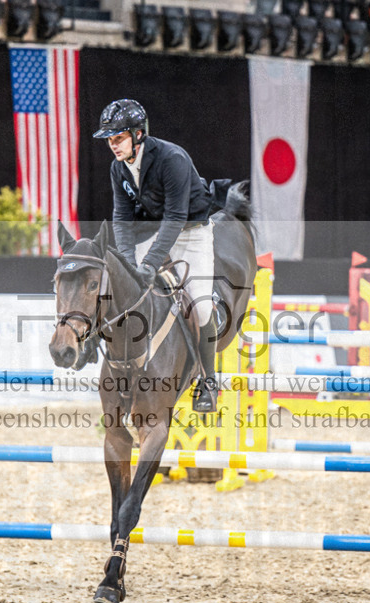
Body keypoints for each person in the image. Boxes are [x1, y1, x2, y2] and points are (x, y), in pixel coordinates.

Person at [93, 99, 220, 413]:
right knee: (119, 288)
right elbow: (121, 217)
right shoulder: (117, 167)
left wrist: (149, 264)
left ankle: (208, 381)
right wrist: (127, 260)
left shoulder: (172, 159)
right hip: (151, 232)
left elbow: (175, 218)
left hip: (191, 232)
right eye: (109, 140)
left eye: (118, 138)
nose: (113, 145)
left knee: (201, 307)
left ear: (138, 134)